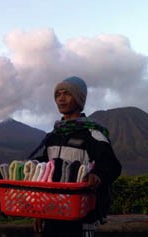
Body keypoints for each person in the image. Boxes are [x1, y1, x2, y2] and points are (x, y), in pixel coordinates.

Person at [31, 76, 122, 237]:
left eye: (67, 94)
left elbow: (112, 166)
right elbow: (47, 172)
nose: (61, 99)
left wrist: (98, 175)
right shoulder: (54, 135)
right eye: (58, 94)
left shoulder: (93, 134)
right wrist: (40, 212)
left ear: (79, 99)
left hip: (82, 217)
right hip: (53, 213)